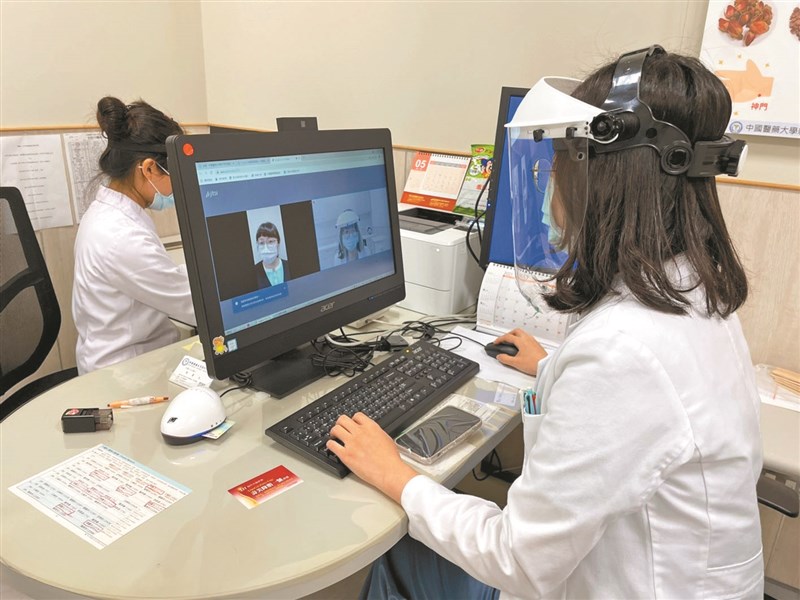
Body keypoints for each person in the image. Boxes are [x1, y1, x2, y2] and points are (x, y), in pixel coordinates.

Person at [327, 47, 763, 599]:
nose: (551, 185)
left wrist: (396, 475)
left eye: (559, 164)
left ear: (601, 181)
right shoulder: (691, 292)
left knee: (395, 545)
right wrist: (553, 367)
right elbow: (652, 407)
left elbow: (518, 561)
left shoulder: (623, 352)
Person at [72, 97, 195, 375]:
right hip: (123, 372)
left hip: (134, 355)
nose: (179, 182)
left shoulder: (112, 213)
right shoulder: (121, 236)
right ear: (149, 168)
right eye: (175, 171)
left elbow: (163, 277)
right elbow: (193, 305)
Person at [253, 221, 291, 288]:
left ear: (278, 243)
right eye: (261, 243)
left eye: (270, 241)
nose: (266, 248)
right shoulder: (254, 272)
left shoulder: (289, 266)